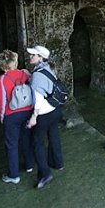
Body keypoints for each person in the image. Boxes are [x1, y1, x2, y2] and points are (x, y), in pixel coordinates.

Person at [26, 44, 64, 189]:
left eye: (33, 55)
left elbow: (38, 99)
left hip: (44, 113)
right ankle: (58, 163)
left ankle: (45, 173)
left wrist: (34, 117)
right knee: (53, 134)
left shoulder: (37, 74)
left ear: (41, 57)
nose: (31, 56)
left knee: (37, 142)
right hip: (55, 109)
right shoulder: (48, 68)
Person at [0, 50, 34, 184]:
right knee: (26, 138)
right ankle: (29, 165)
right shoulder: (25, 73)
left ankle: (14, 175)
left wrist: (2, 117)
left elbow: (1, 101)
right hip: (27, 112)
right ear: (15, 62)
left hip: (11, 115)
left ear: (2, 65)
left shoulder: (2, 80)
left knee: (11, 144)